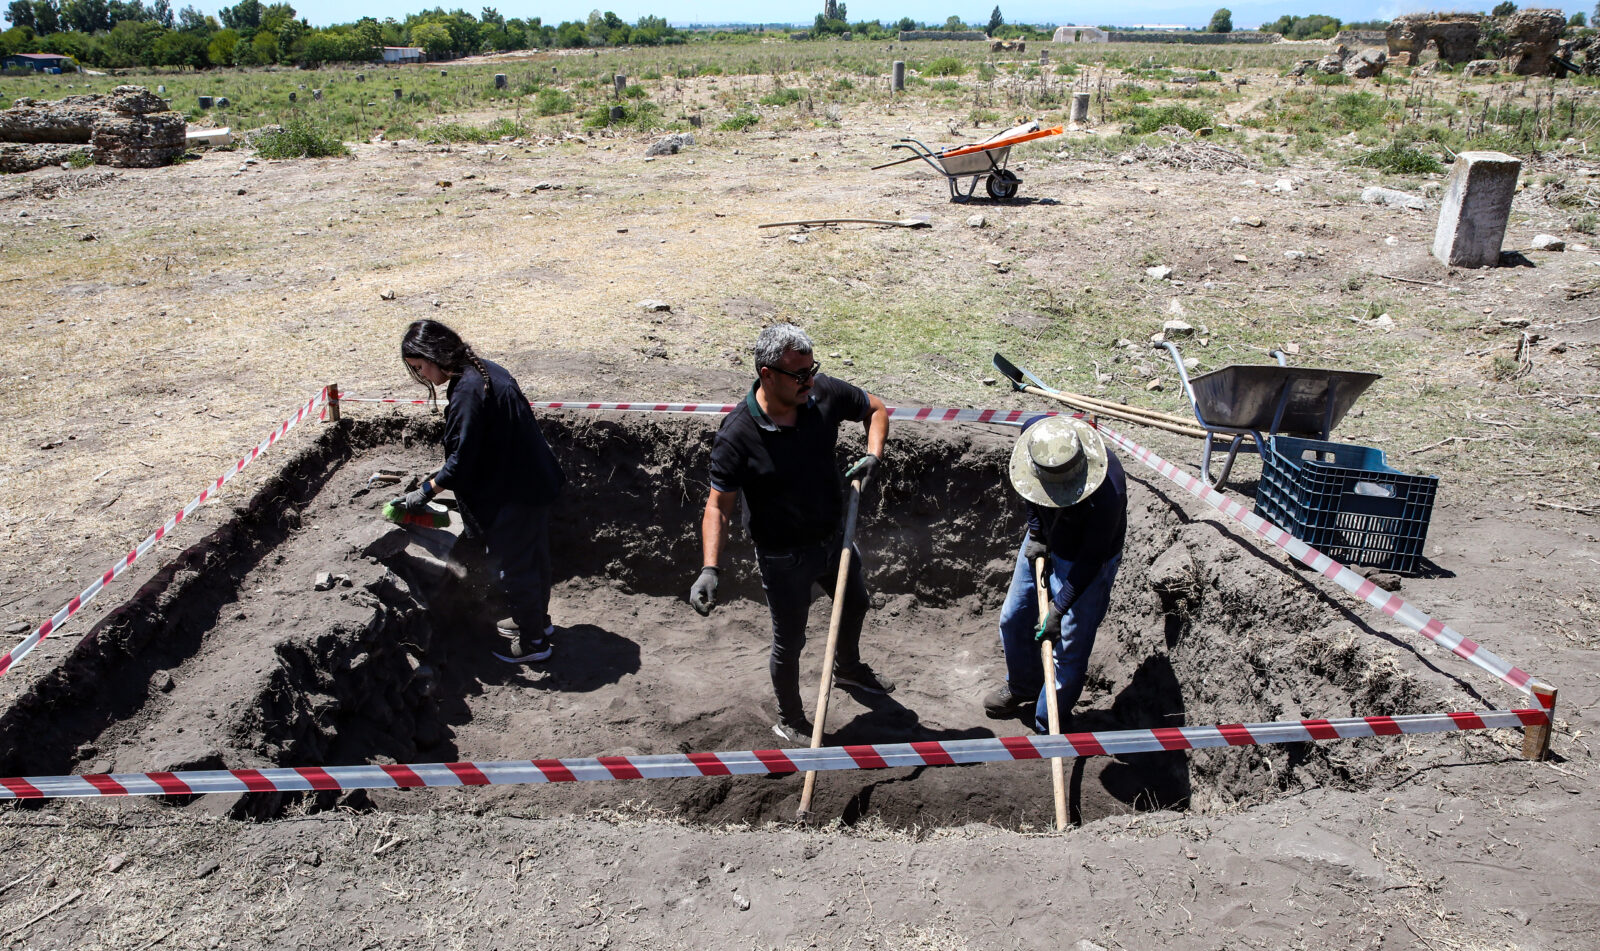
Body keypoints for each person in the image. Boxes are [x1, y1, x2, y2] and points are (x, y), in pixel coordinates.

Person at [688, 323, 894, 744]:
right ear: (767, 374)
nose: (809, 381)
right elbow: (718, 506)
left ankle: (848, 669)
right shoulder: (738, 434)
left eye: (811, 369)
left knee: (855, 603)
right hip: (782, 556)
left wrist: (874, 454)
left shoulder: (822, 395)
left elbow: (875, 408)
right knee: (790, 642)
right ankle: (791, 719)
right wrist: (710, 567)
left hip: (834, 539)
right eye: (798, 375)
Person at [394, 319, 566, 663]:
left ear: (434, 355)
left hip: (517, 492)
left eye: (419, 367)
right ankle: (538, 624)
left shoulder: (469, 392)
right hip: (532, 481)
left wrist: (424, 492)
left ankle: (533, 645)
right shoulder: (481, 371)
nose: (423, 375)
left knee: (515, 568)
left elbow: (461, 462)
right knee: (533, 559)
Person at [984, 415, 1126, 733]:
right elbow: (1028, 488)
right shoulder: (1037, 436)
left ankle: (1049, 721)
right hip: (1048, 537)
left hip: (1086, 562)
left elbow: (1091, 559)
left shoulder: (1107, 493)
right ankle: (1023, 685)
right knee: (1012, 618)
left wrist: (1059, 609)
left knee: (1069, 650)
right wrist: (1036, 533)